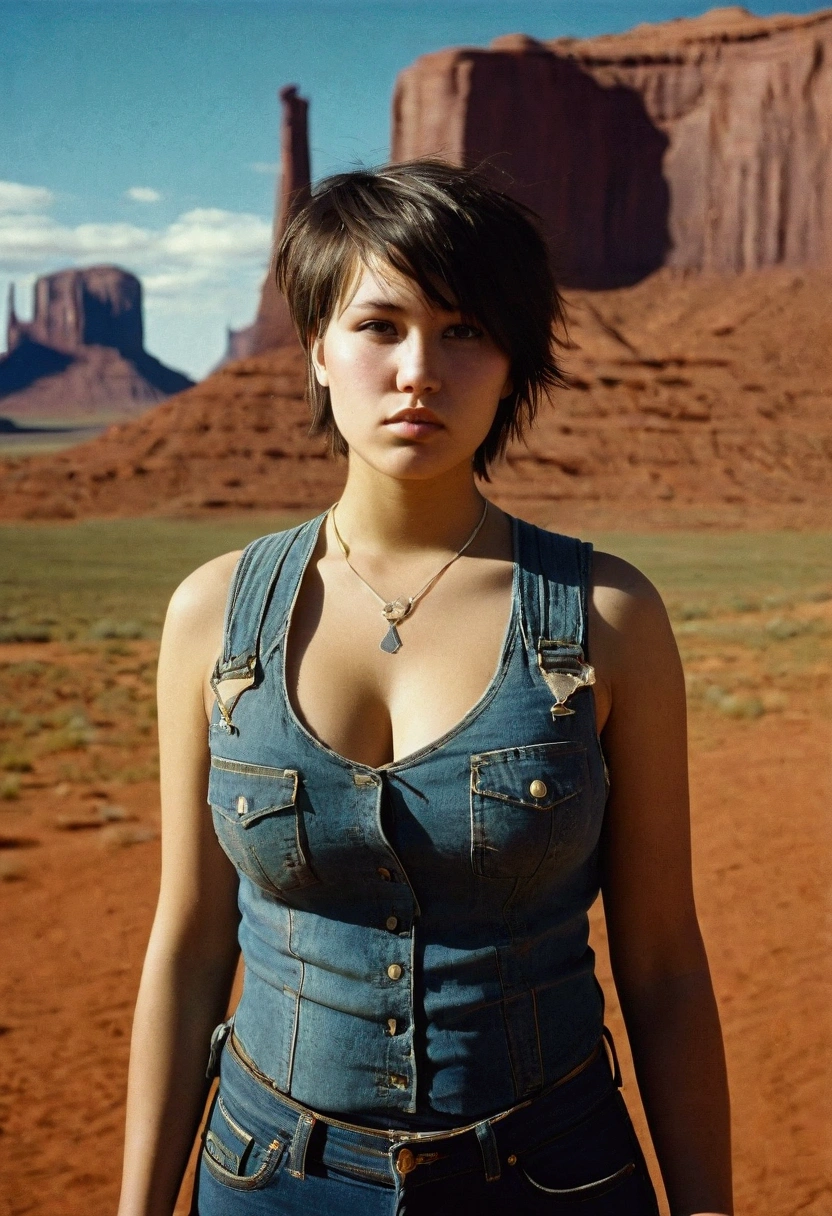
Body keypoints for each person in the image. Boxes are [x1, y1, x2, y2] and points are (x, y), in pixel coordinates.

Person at [116, 161, 733, 1216]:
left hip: (554, 1172)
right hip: (269, 1179)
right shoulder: (213, 617)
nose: (418, 372)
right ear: (314, 345)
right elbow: (188, 942)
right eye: (379, 326)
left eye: (463, 330)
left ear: (511, 362)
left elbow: (664, 962)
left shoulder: (605, 617)